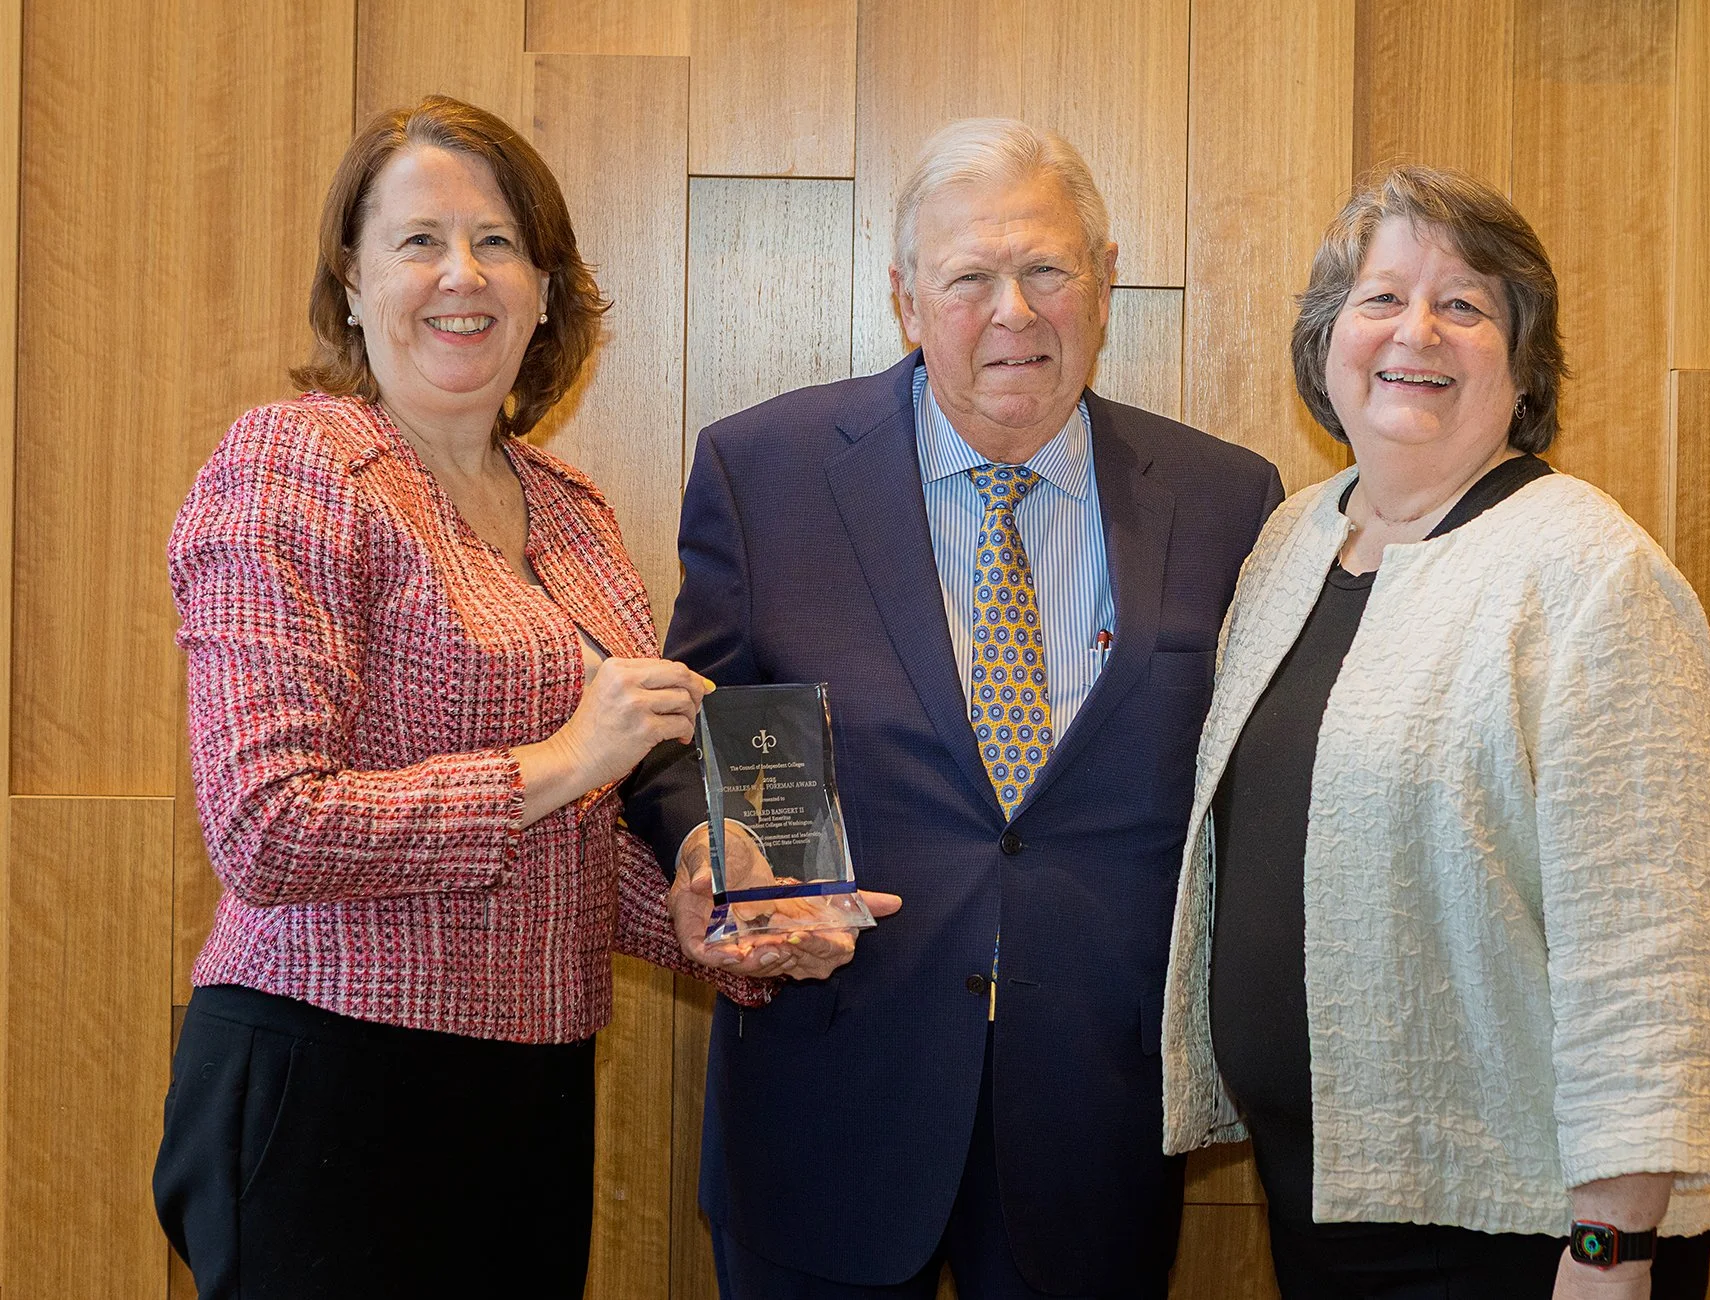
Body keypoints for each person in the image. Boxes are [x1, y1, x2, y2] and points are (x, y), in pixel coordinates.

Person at [625, 117, 1285, 1298]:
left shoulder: (1227, 500)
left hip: (1095, 1114)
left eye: (1047, 269)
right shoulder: (764, 472)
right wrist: (698, 841)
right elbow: (686, 729)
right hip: (827, 1090)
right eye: (970, 277)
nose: (1015, 313)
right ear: (905, 299)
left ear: (1107, 277)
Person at [151, 95, 762, 1300]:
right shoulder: (296, 463)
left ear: (545, 288)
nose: (461, 275)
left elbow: (569, 838)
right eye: (418, 240)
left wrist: (694, 919)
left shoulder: (573, 507)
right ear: (352, 280)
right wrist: (562, 760)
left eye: (497, 242)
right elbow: (265, 824)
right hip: (331, 1076)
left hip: (531, 1084)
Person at [1160, 164, 1710, 1300]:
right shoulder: (1292, 543)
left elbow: (1651, 949)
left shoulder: (1589, 574)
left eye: (1464, 305)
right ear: (1328, 340)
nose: (1415, 332)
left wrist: (1611, 1253)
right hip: (1329, 1193)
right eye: (1380, 299)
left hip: (1523, 1230)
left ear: (1523, 365)